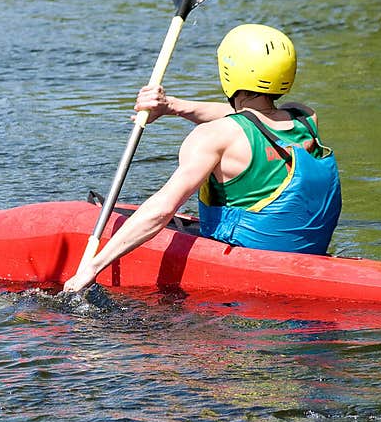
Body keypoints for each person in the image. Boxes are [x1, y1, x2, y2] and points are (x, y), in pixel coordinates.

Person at [63, 23, 342, 293]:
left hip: (250, 261)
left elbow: (162, 209)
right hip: (306, 254)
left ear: (229, 73)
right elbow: (250, 118)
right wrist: (171, 106)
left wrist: (93, 265)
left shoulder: (214, 137)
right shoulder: (305, 118)